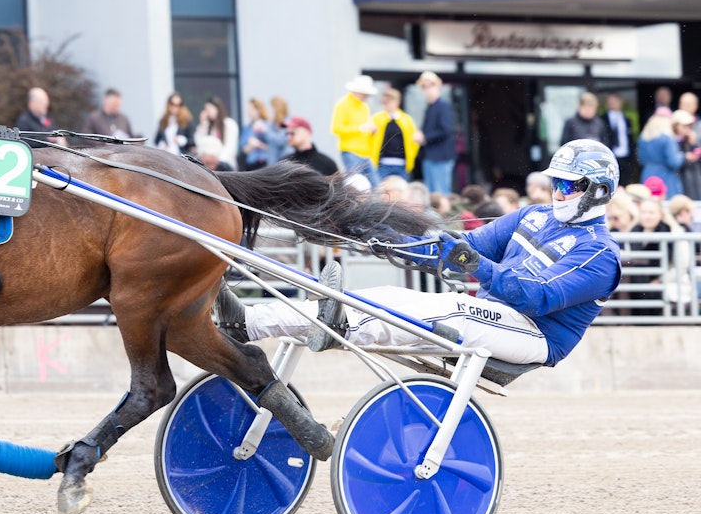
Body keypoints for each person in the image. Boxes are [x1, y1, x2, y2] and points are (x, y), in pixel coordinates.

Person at [218, 139, 622, 371]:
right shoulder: (534, 214)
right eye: (557, 183)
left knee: (443, 312)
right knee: (384, 296)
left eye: (570, 187)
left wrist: (472, 264)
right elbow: (468, 249)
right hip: (495, 314)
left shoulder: (600, 254)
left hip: (535, 335)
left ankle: (341, 325)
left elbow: (536, 298)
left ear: (598, 191)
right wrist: (395, 242)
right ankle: (251, 323)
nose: (559, 194)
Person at [330, 74, 379, 186]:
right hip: (351, 152)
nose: (367, 96)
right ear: (358, 91)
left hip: (365, 153)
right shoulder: (343, 104)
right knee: (355, 186)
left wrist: (371, 131)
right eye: (365, 93)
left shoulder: (364, 107)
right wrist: (361, 128)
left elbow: (366, 128)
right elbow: (336, 128)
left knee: (376, 187)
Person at [416, 71, 456, 195]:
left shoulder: (443, 106)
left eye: (430, 85)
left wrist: (424, 137)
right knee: (432, 196)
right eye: (424, 86)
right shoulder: (430, 106)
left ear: (438, 86)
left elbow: (446, 129)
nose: (427, 89)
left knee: (441, 195)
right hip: (431, 157)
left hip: (440, 158)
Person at [370, 87, 419, 183]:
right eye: (384, 102)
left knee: (402, 193)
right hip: (382, 164)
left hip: (402, 164)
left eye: (388, 102)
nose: (386, 105)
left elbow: (414, 142)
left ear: (397, 102)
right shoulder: (377, 118)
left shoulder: (406, 120)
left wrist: (411, 160)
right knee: (381, 192)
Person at [637, 107, 684, 198]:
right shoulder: (667, 137)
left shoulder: (643, 137)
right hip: (666, 176)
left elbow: (641, 160)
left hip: (647, 174)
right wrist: (682, 156)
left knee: (649, 203)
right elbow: (674, 162)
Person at [194, 97, 239, 169]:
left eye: (210, 108)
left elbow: (230, 148)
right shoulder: (208, 126)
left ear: (217, 108)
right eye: (206, 109)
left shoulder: (229, 124)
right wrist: (202, 124)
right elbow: (199, 142)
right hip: (209, 166)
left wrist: (217, 161)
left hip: (224, 165)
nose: (207, 111)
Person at [602, 93, 635, 188]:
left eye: (615, 101)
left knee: (625, 185)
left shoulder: (627, 120)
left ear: (621, 102)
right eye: (610, 102)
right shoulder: (603, 119)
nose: (613, 104)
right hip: (611, 158)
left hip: (625, 157)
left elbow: (630, 140)